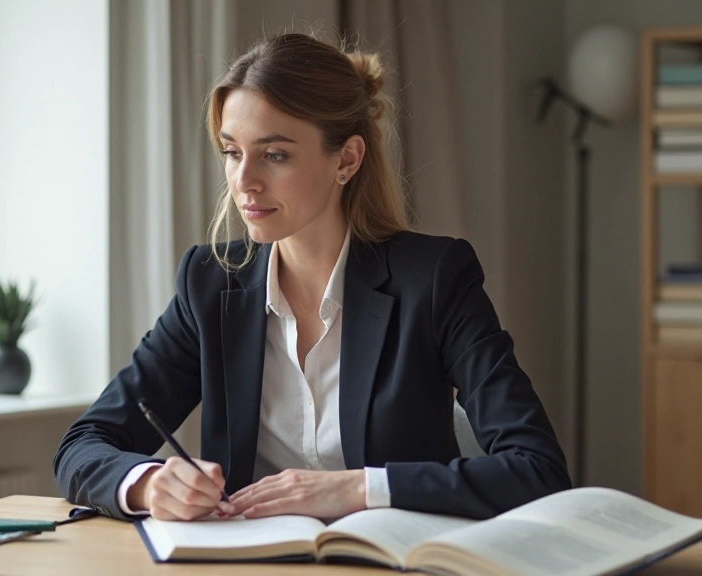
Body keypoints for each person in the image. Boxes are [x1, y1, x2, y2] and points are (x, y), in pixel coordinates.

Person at [53, 33, 570, 523]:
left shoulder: (434, 279)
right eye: (233, 152)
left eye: (274, 155)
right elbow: (84, 444)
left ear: (346, 159)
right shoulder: (209, 284)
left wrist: (356, 488)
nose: (244, 181)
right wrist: (147, 482)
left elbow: (537, 468)